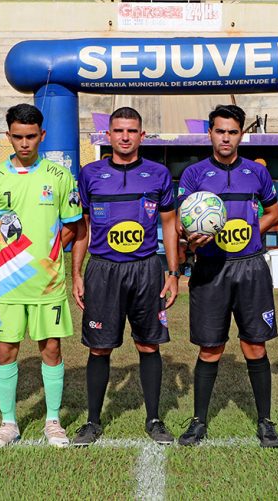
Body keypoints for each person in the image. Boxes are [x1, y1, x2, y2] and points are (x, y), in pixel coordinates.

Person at [70, 107, 180, 446]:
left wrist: (173, 272)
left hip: (145, 268)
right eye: (118, 130)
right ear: (108, 135)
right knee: (100, 349)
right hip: (103, 269)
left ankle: (155, 418)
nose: (125, 136)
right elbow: (81, 229)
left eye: (132, 131)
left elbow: (169, 225)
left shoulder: (158, 174)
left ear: (142, 136)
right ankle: (92, 421)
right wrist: (76, 272)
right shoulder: (89, 174)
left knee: (148, 344)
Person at [0, 104, 84, 451]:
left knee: (51, 348)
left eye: (31, 136)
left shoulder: (59, 176)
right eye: (18, 137)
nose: (24, 143)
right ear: (8, 136)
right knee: (6, 349)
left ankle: (52, 420)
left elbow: (73, 225)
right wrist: (9, 256)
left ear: (42, 135)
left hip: (48, 281)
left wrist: (50, 252)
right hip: (7, 282)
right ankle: (8, 423)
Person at [177, 105, 278, 448]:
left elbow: (274, 213)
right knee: (211, 347)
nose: (226, 137)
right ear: (209, 133)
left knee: (254, 344)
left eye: (232, 132)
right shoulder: (193, 175)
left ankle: (265, 421)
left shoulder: (257, 172)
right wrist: (191, 238)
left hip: (250, 267)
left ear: (241, 135)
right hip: (210, 268)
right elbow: (181, 224)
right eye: (220, 131)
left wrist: (253, 231)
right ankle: (199, 421)